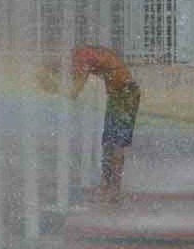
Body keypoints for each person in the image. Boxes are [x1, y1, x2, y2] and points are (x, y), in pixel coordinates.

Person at [38, 45, 141, 204]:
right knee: (108, 142)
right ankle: (106, 186)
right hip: (118, 94)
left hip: (126, 94)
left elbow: (74, 92)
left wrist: (52, 88)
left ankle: (114, 190)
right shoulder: (83, 54)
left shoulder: (82, 58)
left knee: (117, 144)